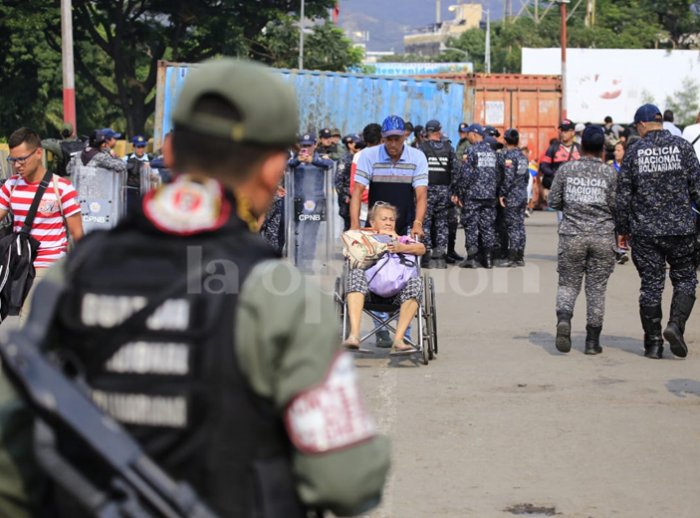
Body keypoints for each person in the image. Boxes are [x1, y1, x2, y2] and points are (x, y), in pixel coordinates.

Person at [0, 58, 389, 516]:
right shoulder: (281, 292)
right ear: (271, 169)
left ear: (171, 151)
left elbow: (13, 462)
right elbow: (347, 480)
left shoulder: (75, 273)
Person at [617, 103, 700, 359]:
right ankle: (675, 325)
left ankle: (653, 344)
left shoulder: (634, 151)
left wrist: (621, 229)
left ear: (641, 125)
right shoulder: (684, 147)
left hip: (645, 231)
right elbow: (697, 188)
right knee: (685, 279)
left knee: (651, 285)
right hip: (682, 229)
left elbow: (623, 196)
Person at [0, 127, 84, 320]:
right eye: (13, 160)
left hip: (48, 265)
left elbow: (78, 234)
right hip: (19, 265)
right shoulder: (11, 186)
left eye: (22, 159)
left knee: (29, 323)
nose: (17, 165)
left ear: (38, 153)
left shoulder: (61, 188)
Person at [548, 125, 617, 355]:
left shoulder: (567, 169)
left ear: (583, 145)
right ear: (601, 149)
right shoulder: (610, 173)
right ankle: (591, 342)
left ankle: (564, 319)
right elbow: (617, 206)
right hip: (602, 237)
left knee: (568, 283)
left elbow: (553, 202)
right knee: (596, 289)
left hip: (572, 236)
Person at [342, 203, 425, 355]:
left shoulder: (404, 239)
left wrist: (402, 247)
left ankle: (399, 340)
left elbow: (421, 249)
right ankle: (354, 336)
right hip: (368, 293)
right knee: (354, 274)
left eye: (391, 220)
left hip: (398, 295)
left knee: (417, 283)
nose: (388, 222)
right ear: (373, 222)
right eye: (384, 219)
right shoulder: (364, 239)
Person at [351, 115, 428, 240]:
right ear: (383, 138)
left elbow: (421, 194)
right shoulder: (369, 156)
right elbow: (357, 191)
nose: (393, 144)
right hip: (376, 224)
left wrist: (417, 223)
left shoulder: (417, 157)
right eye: (389, 139)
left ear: (404, 136)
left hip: (405, 223)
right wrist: (354, 226)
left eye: (397, 139)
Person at [288, 132, 335, 272]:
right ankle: (296, 263)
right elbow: (288, 166)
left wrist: (313, 161)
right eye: (303, 146)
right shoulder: (295, 160)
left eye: (309, 146)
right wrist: (298, 160)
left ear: (315, 145)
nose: (306, 149)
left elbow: (330, 164)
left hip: (316, 201)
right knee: (296, 233)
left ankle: (307, 263)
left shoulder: (320, 159)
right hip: (297, 201)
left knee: (310, 235)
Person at [456, 124, 499, 269]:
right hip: (490, 195)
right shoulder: (492, 151)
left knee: (471, 225)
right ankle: (488, 259)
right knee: (487, 226)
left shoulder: (471, 150)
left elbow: (466, 174)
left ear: (474, 134)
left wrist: (460, 193)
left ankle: (472, 258)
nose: (467, 136)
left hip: (473, 195)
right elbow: (498, 174)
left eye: (468, 134)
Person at [419, 119, 458, 269]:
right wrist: (453, 191)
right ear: (439, 131)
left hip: (426, 191)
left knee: (426, 223)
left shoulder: (422, 148)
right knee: (442, 223)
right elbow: (455, 171)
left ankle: (427, 255)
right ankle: (440, 256)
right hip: (444, 191)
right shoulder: (449, 148)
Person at [497, 129, 529, 267]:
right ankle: (520, 256)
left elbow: (508, 178)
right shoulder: (523, 156)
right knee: (520, 226)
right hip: (522, 194)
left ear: (505, 140)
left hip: (512, 196)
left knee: (512, 227)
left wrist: (502, 194)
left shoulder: (509, 157)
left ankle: (513, 257)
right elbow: (526, 177)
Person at [539, 119, 581, 199]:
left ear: (573, 132)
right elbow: (544, 166)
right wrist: (555, 173)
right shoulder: (553, 148)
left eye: (566, 131)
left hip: (576, 190)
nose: (563, 133)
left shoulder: (579, 149)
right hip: (559, 189)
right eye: (561, 130)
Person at [123, 135, 152, 215]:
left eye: (142, 146)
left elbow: (156, 177)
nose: (141, 149)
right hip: (130, 191)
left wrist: (150, 171)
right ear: (133, 147)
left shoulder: (150, 159)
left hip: (145, 192)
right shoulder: (126, 158)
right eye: (138, 147)